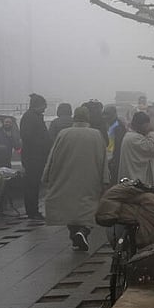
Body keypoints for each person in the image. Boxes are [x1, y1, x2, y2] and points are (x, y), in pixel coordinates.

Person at [43, 107, 108, 251]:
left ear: (74, 118)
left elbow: (52, 156)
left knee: (70, 208)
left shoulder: (63, 134)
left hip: (66, 176)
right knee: (89, 208)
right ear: (87, 118)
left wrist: (46, 175)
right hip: (90, 178)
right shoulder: (96, 135)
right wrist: (105, 179)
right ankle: (83, 231)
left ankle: (76, 236)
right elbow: (104, 159)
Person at [20, 93, 51, 220]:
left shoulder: (34, 117)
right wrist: (43, 143)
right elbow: (28, 138)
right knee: (32, 185)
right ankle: (32, 211)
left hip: (36, 157)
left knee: (34, 185)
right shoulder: (30, 118)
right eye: (44, 106)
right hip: (33, 158)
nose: (45, 109)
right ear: (37, 106)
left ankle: (33, 210)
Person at [118, 111, 154, 183]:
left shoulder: (129, 136)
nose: (147, 128)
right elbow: (152, 147)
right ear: (140, 125)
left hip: (130, 180)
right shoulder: (134, 138)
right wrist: (152, 132)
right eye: (146, 126)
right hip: (135, 181)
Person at [103, 104, 127, 183]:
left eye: (107, 114)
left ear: (114, 114)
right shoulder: (109, 125)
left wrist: (113, 161)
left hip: (115, 161)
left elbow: (118, 147)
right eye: (104, 114)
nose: (105, 116)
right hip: (109, 159)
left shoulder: (118, 127)